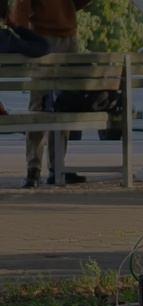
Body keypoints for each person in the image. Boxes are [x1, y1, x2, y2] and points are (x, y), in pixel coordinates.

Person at [9, 0, 91, 188]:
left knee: (52, 104)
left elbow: (19, 11)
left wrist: (21, 33)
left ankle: (41, 169)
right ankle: (49, 167)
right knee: (49, 104)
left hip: (52, 35)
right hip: (54, 36)